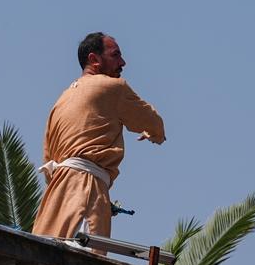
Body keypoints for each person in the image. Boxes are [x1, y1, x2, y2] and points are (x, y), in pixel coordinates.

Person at [31, 32, 165, 242]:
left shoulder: (61, 101)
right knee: (82, 256)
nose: (123, 62)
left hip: (54, 199)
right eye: (115, 55)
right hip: (86, 190)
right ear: (94, 59)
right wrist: (154, 133)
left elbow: (48, 162)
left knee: (45, 254)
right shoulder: (113, 87)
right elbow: (153, 122)